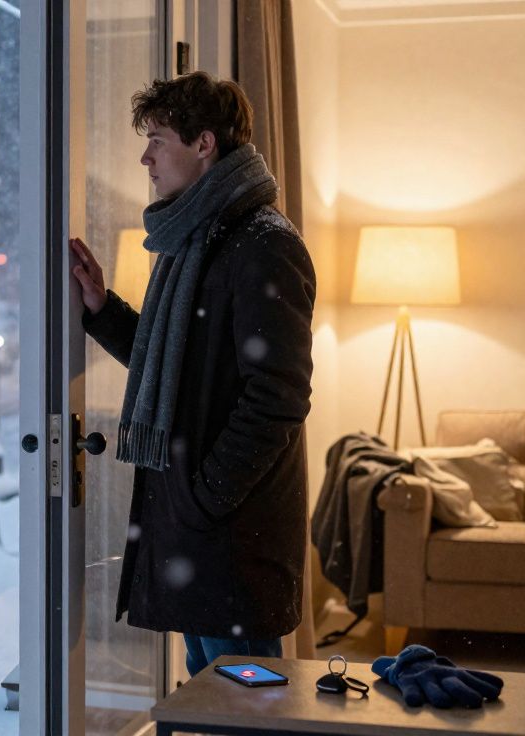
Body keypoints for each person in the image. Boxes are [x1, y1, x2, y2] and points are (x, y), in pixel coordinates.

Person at [69, 71, 316, 677]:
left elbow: (278, 396)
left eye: (157, 137)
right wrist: (102, 308)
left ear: (204, 144)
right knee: (213, 701)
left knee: (249, 712)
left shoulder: (263, 244)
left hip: (230, 534)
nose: (145, 156)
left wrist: (208, 496)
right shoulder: (196, 238)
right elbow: (175, 366)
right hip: (197, 525)